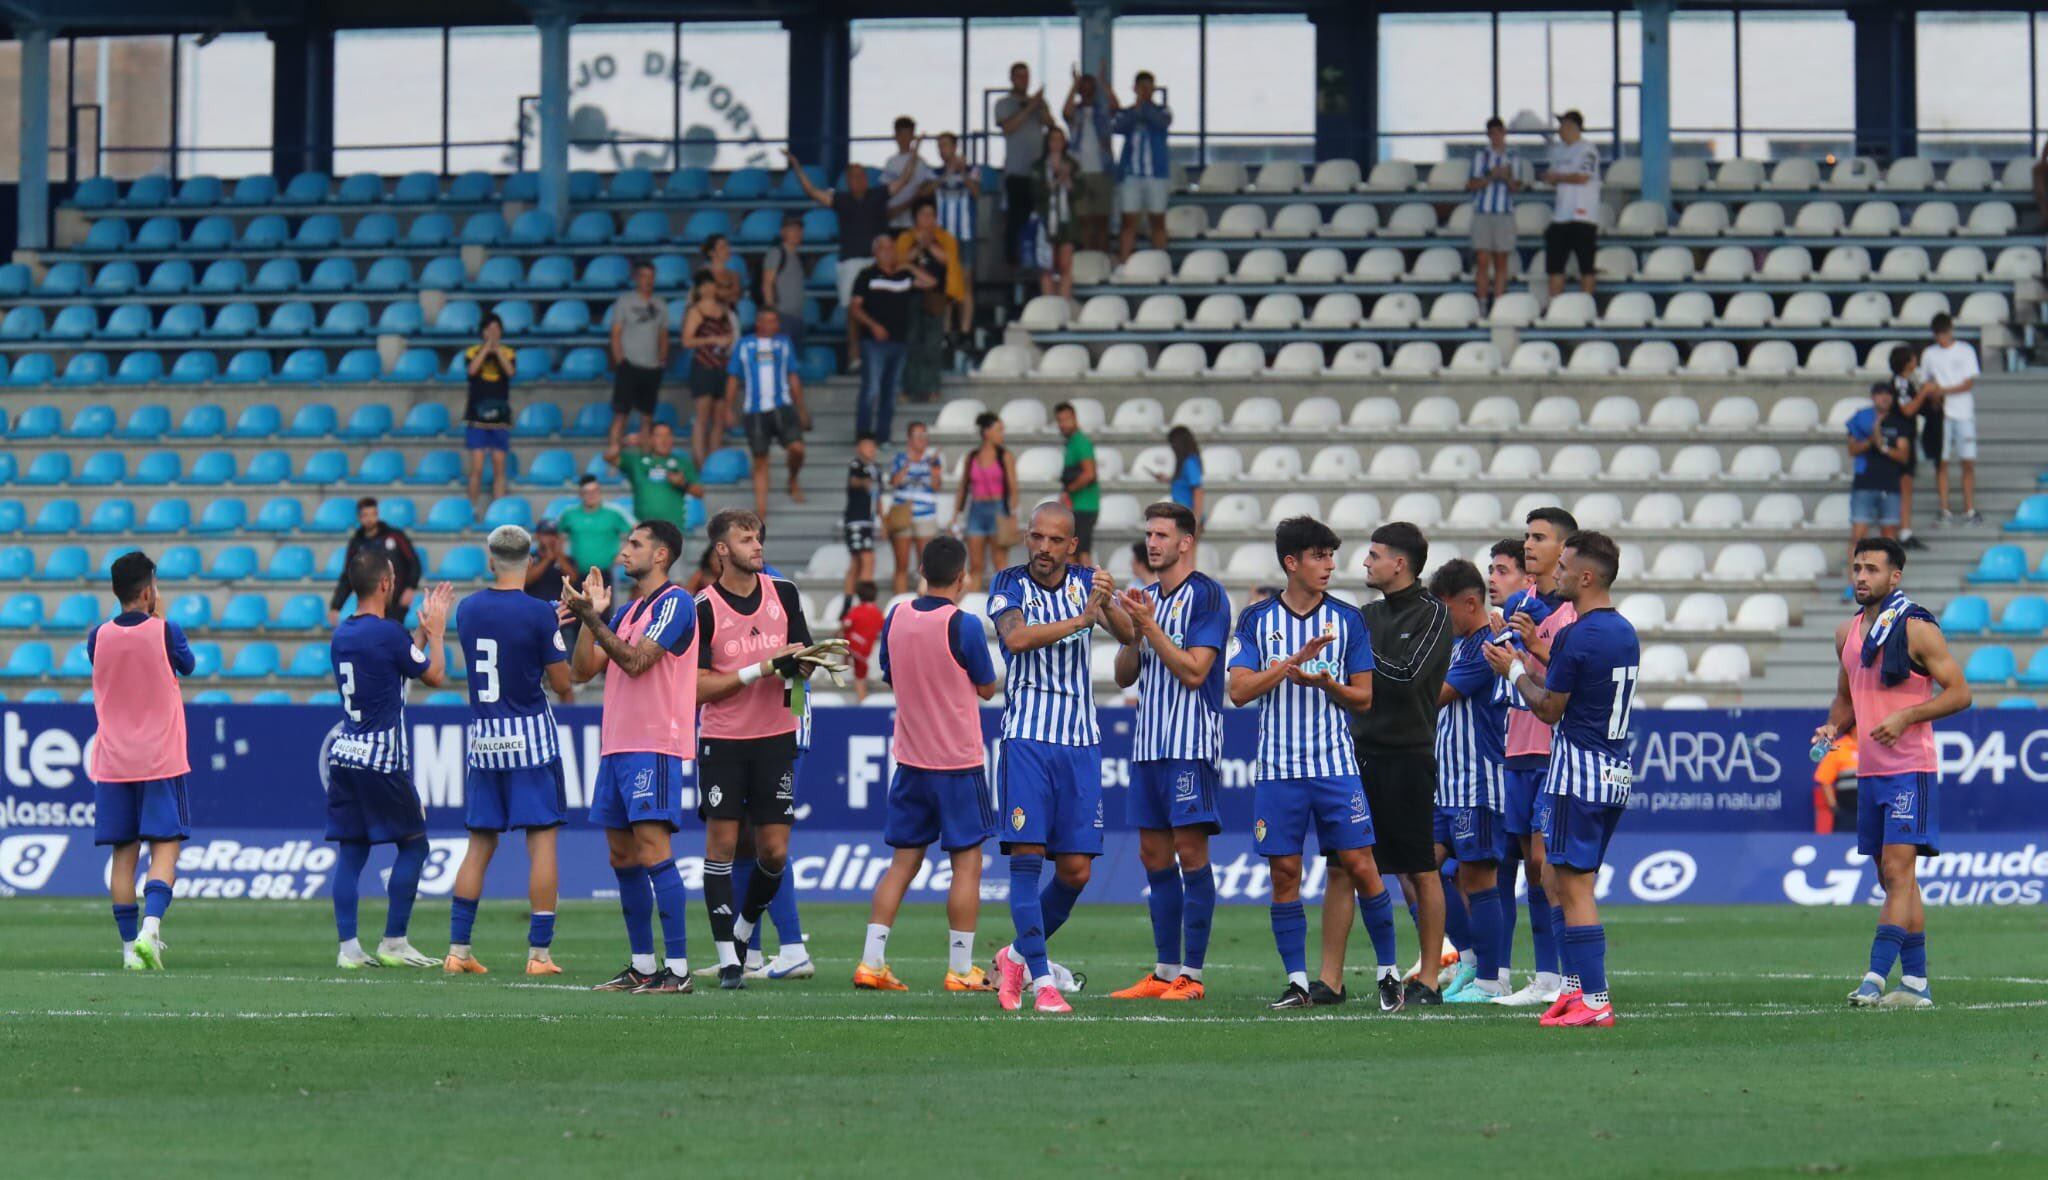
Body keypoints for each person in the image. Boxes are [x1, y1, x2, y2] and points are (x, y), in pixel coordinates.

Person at [1226, 516, 1402, 1013]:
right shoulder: (1257, 621)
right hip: (1279, 770)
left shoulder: (1348, 619)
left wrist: (1327, 684)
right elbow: (1238, 691)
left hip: (1334, 765)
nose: (1329, 565)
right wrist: (1290, 663)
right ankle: (1299, 981)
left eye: (1330, 556)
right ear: (1291, 563)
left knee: (1363, 865)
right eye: (1319, 556)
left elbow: (1364, 698)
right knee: (1285, 873)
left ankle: (1389, 974)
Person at [1483, 531, 1640, 1028]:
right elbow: (1579, 676)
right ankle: (1573, 988)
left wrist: (1513, 670)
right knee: (1554, 875)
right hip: (1612, 770)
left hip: (1582, 772)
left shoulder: (1579, 632)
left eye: (1566, 567)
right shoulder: (1621, 630)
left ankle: (1595, 1000)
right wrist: (1534, 649)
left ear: (1587, 576)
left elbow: (1550, 707)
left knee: (1573, 887)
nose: (1558, 574)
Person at [988, 503, 1137, 1014]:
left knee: (1075, 871)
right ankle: (1044, 981)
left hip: (1080, 742)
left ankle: (1015, 956)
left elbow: (1128, 636)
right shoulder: (1008, 583)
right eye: (1037, 538)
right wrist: (1083, 617)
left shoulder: (1087, 583)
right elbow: (1017, 637)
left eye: (1055, 540)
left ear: (1072, 545)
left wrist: (1108, 602)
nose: (1044, 549)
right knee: (1027, 861)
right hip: (1027, 740)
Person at [1820, 537, 1971, 1009]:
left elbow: (1960, 693)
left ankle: (1875, 976)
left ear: (1895, 578)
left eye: (1871, 569)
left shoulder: (1917, 628)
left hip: (1911, 769)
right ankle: (1918, 985)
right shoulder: (1846, 633)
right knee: (1894, 881)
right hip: (1870, 773)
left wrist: (1907, 716)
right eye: (1857, 567)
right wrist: (1832, 726)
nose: (1861, 576)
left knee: (1897, 869)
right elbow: (1846, 697)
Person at [857, 535, 1003, 992]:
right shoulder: (964, 624)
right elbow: (987, 687)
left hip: (911, 758)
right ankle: (960, 969)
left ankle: (871, 961)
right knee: (967, 864)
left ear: (921, 570)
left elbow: (889, 671)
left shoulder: (896, 615)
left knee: (902, 862)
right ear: (963, 577)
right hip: (956, 761)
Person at [563, 519, 699, 995]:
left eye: (635, 544)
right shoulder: (630, 610)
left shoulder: (676, 602)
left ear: (661, 555)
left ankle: (678, 969)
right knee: (622, 856)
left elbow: (638, 661)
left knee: (653, 851)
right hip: (617, 745)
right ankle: (643, 964)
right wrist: (588, 618)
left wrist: (596, 619)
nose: (624, 551)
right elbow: (581, 671)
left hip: (654, 742)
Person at [1322, 521, 1454, 1006]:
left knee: (1421, 869)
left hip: (1407, 756)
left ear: (1400, 563)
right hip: (1356, 755)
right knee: (1340, 867)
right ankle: (1330, 980)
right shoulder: (1365, 614)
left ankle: (1429, 980)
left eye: (1374, 555)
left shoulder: (1434, 615)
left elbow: (1406, 677)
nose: (1365, 562)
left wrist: (1356, 655)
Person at [1107, 502, 1229, 1002]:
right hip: (1148, 744)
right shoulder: (1148, 597)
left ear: (1185, 542)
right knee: (1151, 854)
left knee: (1190, 852)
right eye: (1149, 534)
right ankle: (1163, 970)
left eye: (1161, 534)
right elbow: (1122, 675)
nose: (1152, 543)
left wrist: (1149, 627)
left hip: (1190, 742)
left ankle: (1193, 976)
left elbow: (1196, 671)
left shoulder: (1207, 596)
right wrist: (1133, 633)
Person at [444, 526, 577, 978]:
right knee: (542, 843)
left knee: (479, 844)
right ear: (530, 559)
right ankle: (539, 955)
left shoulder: (467, 610)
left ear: (489, 560)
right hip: (530, 740)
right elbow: (563, 684)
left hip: (484, 740)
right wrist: (549, 634)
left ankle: (458, 949)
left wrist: (540, 631)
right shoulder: (539, 613)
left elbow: (499, 643)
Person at [693, 509, 815, 989]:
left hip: (775, 738)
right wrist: (765, 667)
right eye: (746, 539)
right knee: (723, 847)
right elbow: (699, 687)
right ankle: (728, 958)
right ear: (722, 550)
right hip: (723, 741)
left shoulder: (783, 593)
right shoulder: (702, 607)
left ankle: (743, 937)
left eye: (758, 537)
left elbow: (799, 658)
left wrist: (802, 674)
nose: (757, 546)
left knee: (773, 852)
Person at [325, 552, 453, 970]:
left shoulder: (343, 634)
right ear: (385, 584)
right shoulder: (389, 634)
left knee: (352, 852)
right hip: (383, 759)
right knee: (415, 844)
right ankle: (394, 941)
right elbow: (434, 675)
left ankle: (348, 950)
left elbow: (397, 666)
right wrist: (435, 632)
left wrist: (415, 633)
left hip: (344, 755)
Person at [88, 551, 194, 970]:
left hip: (114, 762)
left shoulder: (97, 636)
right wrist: (161, 617)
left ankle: (130, 948)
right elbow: (188, 665)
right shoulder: (166, 632)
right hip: (160, 759)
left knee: (123, 855)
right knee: (165, 846)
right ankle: (151, 928)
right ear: (150, 590)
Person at [1492, 508, 1577, 1008]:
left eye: (1540, 537)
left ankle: (1570, 976)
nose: (1529, 544)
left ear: (1563, 547)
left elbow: (1559, 684)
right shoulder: (1523, 603)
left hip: (1552, 750)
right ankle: (1547, 975)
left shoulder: (1567, 613)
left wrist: (1524, 656)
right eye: (1527, 536)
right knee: (1530, 867)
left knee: (1548, 866)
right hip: (1518, 746)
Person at [1428, 559, 1513, 1003]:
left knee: (1480, 879)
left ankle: (1491, 979)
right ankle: (1470, 957)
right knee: (1419, 868)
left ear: (1470, 602)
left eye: (1444, 611)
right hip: (1446, 786)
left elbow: (1436, 695)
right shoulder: (1461, 645)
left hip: (1477, 783)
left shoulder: (1489, 646)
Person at [786, 148, 894, 369]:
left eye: (861, 175)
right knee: (852, 312)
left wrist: (915, 154)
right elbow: (813, 191)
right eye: (853, 176)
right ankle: (854, 357)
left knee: (880, 310)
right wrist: (797, 167)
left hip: (875, 262)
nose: (858, 179)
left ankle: (878, 356)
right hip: (849, 262)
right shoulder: (841, 199)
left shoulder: (878, 194)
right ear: (847, 180)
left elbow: (904, 181)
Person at [727, 305, 810, 523]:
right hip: (754, 411)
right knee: (760, 460)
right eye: (770, 320)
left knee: (798, 449)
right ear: (759, 323)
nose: (774, 325)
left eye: (776, 320)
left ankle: (792, 479)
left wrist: (802, 410)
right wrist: (728, 408)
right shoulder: (745, 345)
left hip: (782, 405)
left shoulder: (784, 343)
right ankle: (761, 511)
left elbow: (793, 376)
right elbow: (733, 378)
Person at [850, 234, 934, 445]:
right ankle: (863, 435)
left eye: (891, 248)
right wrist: (873, 326)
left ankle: (882, 436)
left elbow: (931, 282)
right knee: (872, 390)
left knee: (890, 392)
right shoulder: (867, 275)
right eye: (884, 249)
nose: (888, 252)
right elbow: (855, 308)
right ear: (875, 253)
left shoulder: (904, 276)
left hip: (899, 341)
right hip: (873, 342)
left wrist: (908, 265)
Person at [1919, 313, 1981, 525]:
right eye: (1938, 334)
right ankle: (1944, 508)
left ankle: (1969, 508)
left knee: (1967, 462)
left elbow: (1967, 384)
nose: (1941, 338)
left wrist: (1942, 391)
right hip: (1941, 415)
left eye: (1944, 333)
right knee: (1942, 462)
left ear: (1950, 331)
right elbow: (1926, 382)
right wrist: (1933, 396)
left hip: (1963, 412)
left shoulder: (1965, 350)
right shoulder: (1929, 354)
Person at [895, 200, 959, 405]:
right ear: (915, 218)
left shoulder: (944, 238)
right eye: (923, 215)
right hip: (910, 295)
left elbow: (947, 260)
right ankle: (909, 388)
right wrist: (918, 246)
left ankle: (932, 388)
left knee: (932, 344)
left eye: (931, 215)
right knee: (912, 342)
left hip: (936, 296)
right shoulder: (906, 238)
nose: (928, 219)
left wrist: (929, 244)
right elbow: (900, 261)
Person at [994, 62, 1055, 266]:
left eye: (1026, 76)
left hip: (1037, 172)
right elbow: (1008, 127)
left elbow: (1050, 125)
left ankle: (1039, 260)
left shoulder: (1038, 103)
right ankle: (1014, 264)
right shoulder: (1004, 103)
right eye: (1019, 76)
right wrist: (1029, 108)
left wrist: (1041, 106)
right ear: (1012, 78)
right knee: (1016, 220)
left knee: (1040, 219)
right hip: (1016, 172)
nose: (1023, 80)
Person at [1847, 381, 1914, 562]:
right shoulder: (1860, 419)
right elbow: (1852, 449)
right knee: (1858, 535)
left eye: (1888, 394)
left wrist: (1883, 447)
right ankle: (1854, 584)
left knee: (1889, 539)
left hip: (1890, 483)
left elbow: (1903, 456)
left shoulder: (1898, 422)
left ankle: (1886, 585)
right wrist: (1872, 439)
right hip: (1865, 483)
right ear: (1873, 397)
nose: (1884, 398)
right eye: (1880, 394)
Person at [607, 260, 669, 456]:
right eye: (643, 276)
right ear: (636, 278)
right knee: (621, 415)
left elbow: (663, 335)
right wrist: (620, 361)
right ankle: (614, 458)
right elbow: (616, 332)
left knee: (647, 417)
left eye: (651, 277)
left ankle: (644, 459)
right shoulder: (625, 301)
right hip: (629, 365)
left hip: (651, 367)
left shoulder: (660, 304)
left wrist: (662, 360)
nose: (647, 281)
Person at [328, 497, 421, 627]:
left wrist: (411, 587)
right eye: (366, 515)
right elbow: (348, 576)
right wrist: (336, 606)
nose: (370, 518)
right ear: (359, 517)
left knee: (393, 638)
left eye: (373, 514)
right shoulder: (357, 543)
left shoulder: (395, 536)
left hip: (395, 601)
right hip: (369, 605)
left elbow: (414, 562)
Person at [1112, 70, 1174, 262]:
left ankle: (1159, 262)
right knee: (1128, 221)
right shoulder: (1128, 113)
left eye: (1149, 88)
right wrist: (1136, 111)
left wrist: (1144, 109)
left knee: (1158, 220)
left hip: (1156, 175)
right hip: (1132, 175)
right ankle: (1125, 262)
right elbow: (1117, 126)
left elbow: (1161, 122)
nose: (1146, 92)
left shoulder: (1163, 111)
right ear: (1135, 89)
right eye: (1142, 88)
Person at [1467, 116, 1524, 312]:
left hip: (1503, 213)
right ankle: (1483, 302)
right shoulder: (1480, 156)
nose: (1496, 137)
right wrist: (1492, 176)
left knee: (1501, 261)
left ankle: (1498, 303)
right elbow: (1471, 184)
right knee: (1482, 260)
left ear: (1504, 133)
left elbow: (1516, 187)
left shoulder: (1514, 157)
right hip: (1483, 211)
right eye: (1492, 134)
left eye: (1499, 133)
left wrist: (1506, 177)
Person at [1541, 110, 1600, 298]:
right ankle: (1556, 305)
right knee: (1555, 266)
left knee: (1586, 265)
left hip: (1583, 215)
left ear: (1573, 127)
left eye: (1563, 125)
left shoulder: (1588, 150)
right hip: (1561, 216)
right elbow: (1552, 176)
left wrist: (1558, 177)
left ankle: (1586, 304)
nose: (1559, 130)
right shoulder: (1558, 152)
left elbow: (1583, 177)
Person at [956, 412, 1018, 590]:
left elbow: (1013, 488)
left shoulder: (1005, 456)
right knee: (975, 565)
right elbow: (963, 487)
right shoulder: (972, 457)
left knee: (1000, 563)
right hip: (976, 508)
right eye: (998, 430)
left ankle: (1004, 604)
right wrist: (956, 514)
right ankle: (973, 604)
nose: (1002, 434)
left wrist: (1013, 515)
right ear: (986, 432)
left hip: (998, 509)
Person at [681, 274, 738, 465]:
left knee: (719, 418)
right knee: (703, 417)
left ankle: (714, 460)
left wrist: (726, 341)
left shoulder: (724, 309)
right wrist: (711, 340)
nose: (709, 288)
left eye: (711, 284)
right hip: (704, 365)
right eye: (705, 285)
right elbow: (687, 340)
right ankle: (700, 460)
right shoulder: (696, 311)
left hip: (721, 365)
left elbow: (731, 333)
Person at [463, 312, 517, 511]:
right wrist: (487, 348)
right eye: (490, 330)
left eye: (497, 329)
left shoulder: (509, 352)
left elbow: (510, 372)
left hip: (500, 417)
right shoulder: (472, 352)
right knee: (476, 468)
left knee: (499, 467)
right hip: (476, 417)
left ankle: (499, 510)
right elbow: (472, 371)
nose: (493, 333)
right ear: (483, 332)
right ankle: (472, 509)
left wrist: (498, 351)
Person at [607, 422, 702, 531]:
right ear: (650, 439)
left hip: (673, 529)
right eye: (659, 435)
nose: (664, 440)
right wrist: (623, 443)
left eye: (668, 435)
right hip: (643, 529)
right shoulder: (636, 460)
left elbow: (699, 492)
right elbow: (609, 457)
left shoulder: (682, 462)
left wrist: (683, 484)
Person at [887, 421, 944, 596]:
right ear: (909, 439)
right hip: (904, 513)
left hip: (925, 514)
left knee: (926, 563)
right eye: (918, 436)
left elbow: (936, 486)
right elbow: (894, 482)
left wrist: (934, 470)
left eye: (924, 436)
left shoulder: (933, 460)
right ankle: (898, 603)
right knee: (901, 564)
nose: (922, 440)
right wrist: (909, 463)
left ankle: (924, 602)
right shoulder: (900, 458)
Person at [932, 132, 981, 336]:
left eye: (946, 145)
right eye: (940, 146)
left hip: (965, 234)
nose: (943, 150)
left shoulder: (972, 169)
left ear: (955, 147)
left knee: (966, 281)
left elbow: (977, 192)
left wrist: (962, 173)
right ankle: (945, 330)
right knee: (945, 284)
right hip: (943, 236)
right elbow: (926, 191)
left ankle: (965, 329)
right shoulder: (935, 172)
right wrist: (947, 173)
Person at [1064, 68, 1116, 254]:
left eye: (1090, 88)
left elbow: (1115, 107)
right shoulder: (1075, 112)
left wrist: (1104, 84)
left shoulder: (1101, 110)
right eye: (1083, 88)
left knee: (1102, 222)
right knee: (1084, 221)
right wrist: (1074, 85)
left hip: (1103, 170)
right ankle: (1087, 259)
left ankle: (1101, 259)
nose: (1087, 92)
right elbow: (1066, 111)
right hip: (1079, 172)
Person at [556, 475, 635, 590]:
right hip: (576, 572)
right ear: (580, 494)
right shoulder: (569, 514)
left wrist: (624, 553)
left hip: (606, 572)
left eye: (595, 491)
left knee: (604, 607)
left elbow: (637, 530)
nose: (592, 495)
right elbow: (557, 537)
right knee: (578, 607)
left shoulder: (613, 512)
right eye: (587, 492)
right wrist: (564, 562)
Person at [1887, 345, 1929, 549]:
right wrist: (1924, 393)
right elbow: (1907, 409)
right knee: (1903, 485)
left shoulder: (1906, 382)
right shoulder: (1901, 384)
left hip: (1907, 436)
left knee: (1906, 484)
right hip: (1900, 437)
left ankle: (1904, 529)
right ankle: (1901, 531)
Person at [1034, 127, 1079, 300]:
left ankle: (1063, 303)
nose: (1056, 144)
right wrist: (1052, 183)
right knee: (1047, 266)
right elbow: (1035, 192)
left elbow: (1079, 192)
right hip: (1046, 219)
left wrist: (1067, 180)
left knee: (1065, 265)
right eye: (1053, 140)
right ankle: (1049, 302)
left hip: (1066, 220)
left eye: (1060, 140)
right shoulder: (1038, 166)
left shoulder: (1072, 165)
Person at [1055, 401, 1100, 565]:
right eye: (1059, 420)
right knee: (1074, 553)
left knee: (1081, 554)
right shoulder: (1072, 443)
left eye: (1066, 419)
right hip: (1078, 506)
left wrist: (1069, 491)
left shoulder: (1080, 442)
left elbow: (1089, 474)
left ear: (1075, 418)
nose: (1063, 424)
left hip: (1084, 506)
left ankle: (1090, 589)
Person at [843, 433, 884, 607]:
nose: (871, 449)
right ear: (858, 448)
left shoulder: (877, 469)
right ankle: (865, 603)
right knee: (868, 559)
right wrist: (863, 482)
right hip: (856, 520)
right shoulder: (856, 465)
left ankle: (848, 604)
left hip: (869, 520)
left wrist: (884, 522)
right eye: (867, 446)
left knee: (856, 563)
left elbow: (878, 498)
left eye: (873, 446)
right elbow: (853, 482)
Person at [759, 214, 809, 353]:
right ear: (783, 232)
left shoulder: (796, 256)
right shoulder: (777, 253)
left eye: (799, 230)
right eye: (792, 229)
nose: (797, 233)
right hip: (781, 316)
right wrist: (771, 315)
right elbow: (767, 283)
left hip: (797, 316)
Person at [882, 116, 936, 230]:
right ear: (895, 136)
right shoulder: (890, 162)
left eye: (907, 135)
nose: (904, 139)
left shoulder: (921, 163)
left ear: (912, 136)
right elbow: (885, 190)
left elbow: (928, 187)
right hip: (893, 221)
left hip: (913, 223)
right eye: (901, 134)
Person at [841, 582, 885, 702]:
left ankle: (862, 699)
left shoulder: (856, 610)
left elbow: (846, 624)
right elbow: (884, 627)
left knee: (859, 674)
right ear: (875, 596)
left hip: (853, 644)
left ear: (858, 596)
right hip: (864, 648)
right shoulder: (877, 613)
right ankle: (862, 699)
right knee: (860, 674)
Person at [1814, 732, 1859, 836]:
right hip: (1847, 812)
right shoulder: (1838, 748)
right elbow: (1824, 780)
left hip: (1871, 811)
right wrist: (1834, 808)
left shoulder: (1874, 746)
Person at [525, 520, 577, 603]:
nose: (551, 538)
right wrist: (547, 559)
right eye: (546, 534)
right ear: (538, 536)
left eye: (554, 535)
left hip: (559, 608)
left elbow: (573, 580)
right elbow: (526, 581)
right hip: (534, 605)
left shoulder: (567, 559)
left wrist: (558, 555)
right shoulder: (529, 558)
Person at [1159, 425, 1204, 519]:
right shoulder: (1184, 462)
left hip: (1188, 515)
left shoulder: (1190, 462)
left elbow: (1198, 490)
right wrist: (1168, 479)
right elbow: (1183, 482)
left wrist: (1196, 519)